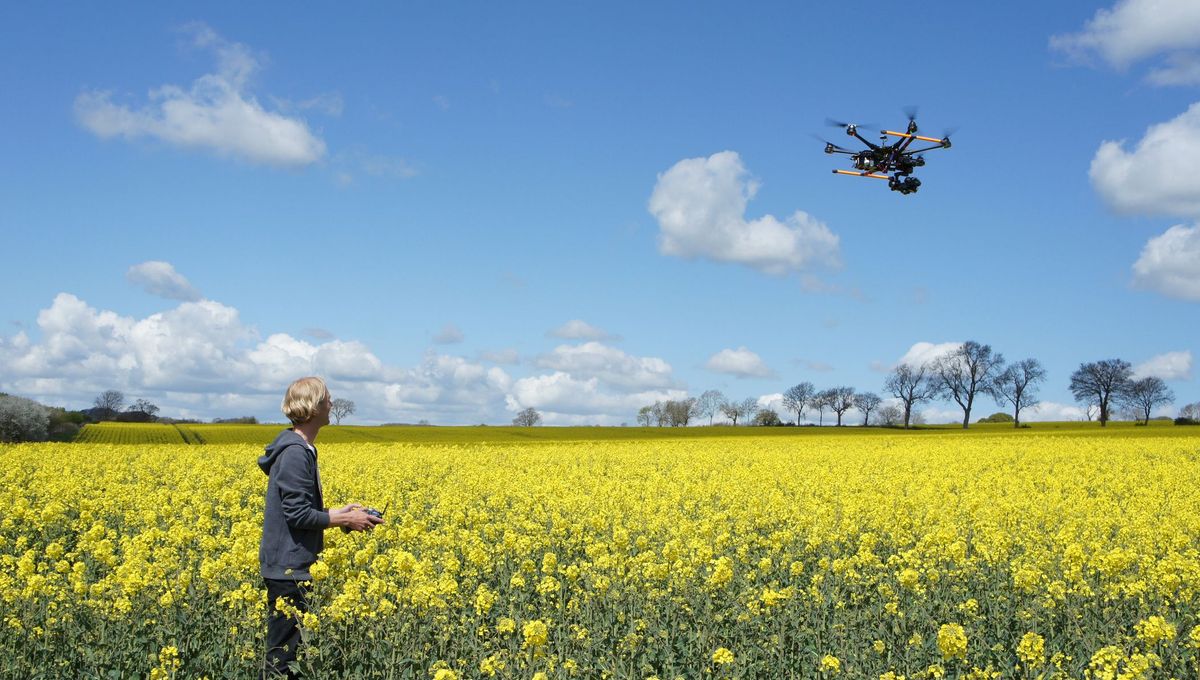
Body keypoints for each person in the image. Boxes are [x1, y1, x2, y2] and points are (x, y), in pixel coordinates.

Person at [259, 376, 383, 679]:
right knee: (282, 660)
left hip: (293, 564)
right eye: (327, 399)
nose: (331, 403)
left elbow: (301, 509)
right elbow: (297, 515)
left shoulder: (300, 449)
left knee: (291, 656)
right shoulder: (294, 453)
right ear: (314, 407)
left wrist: (339, 512)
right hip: (288, 567)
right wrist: (345, 520)